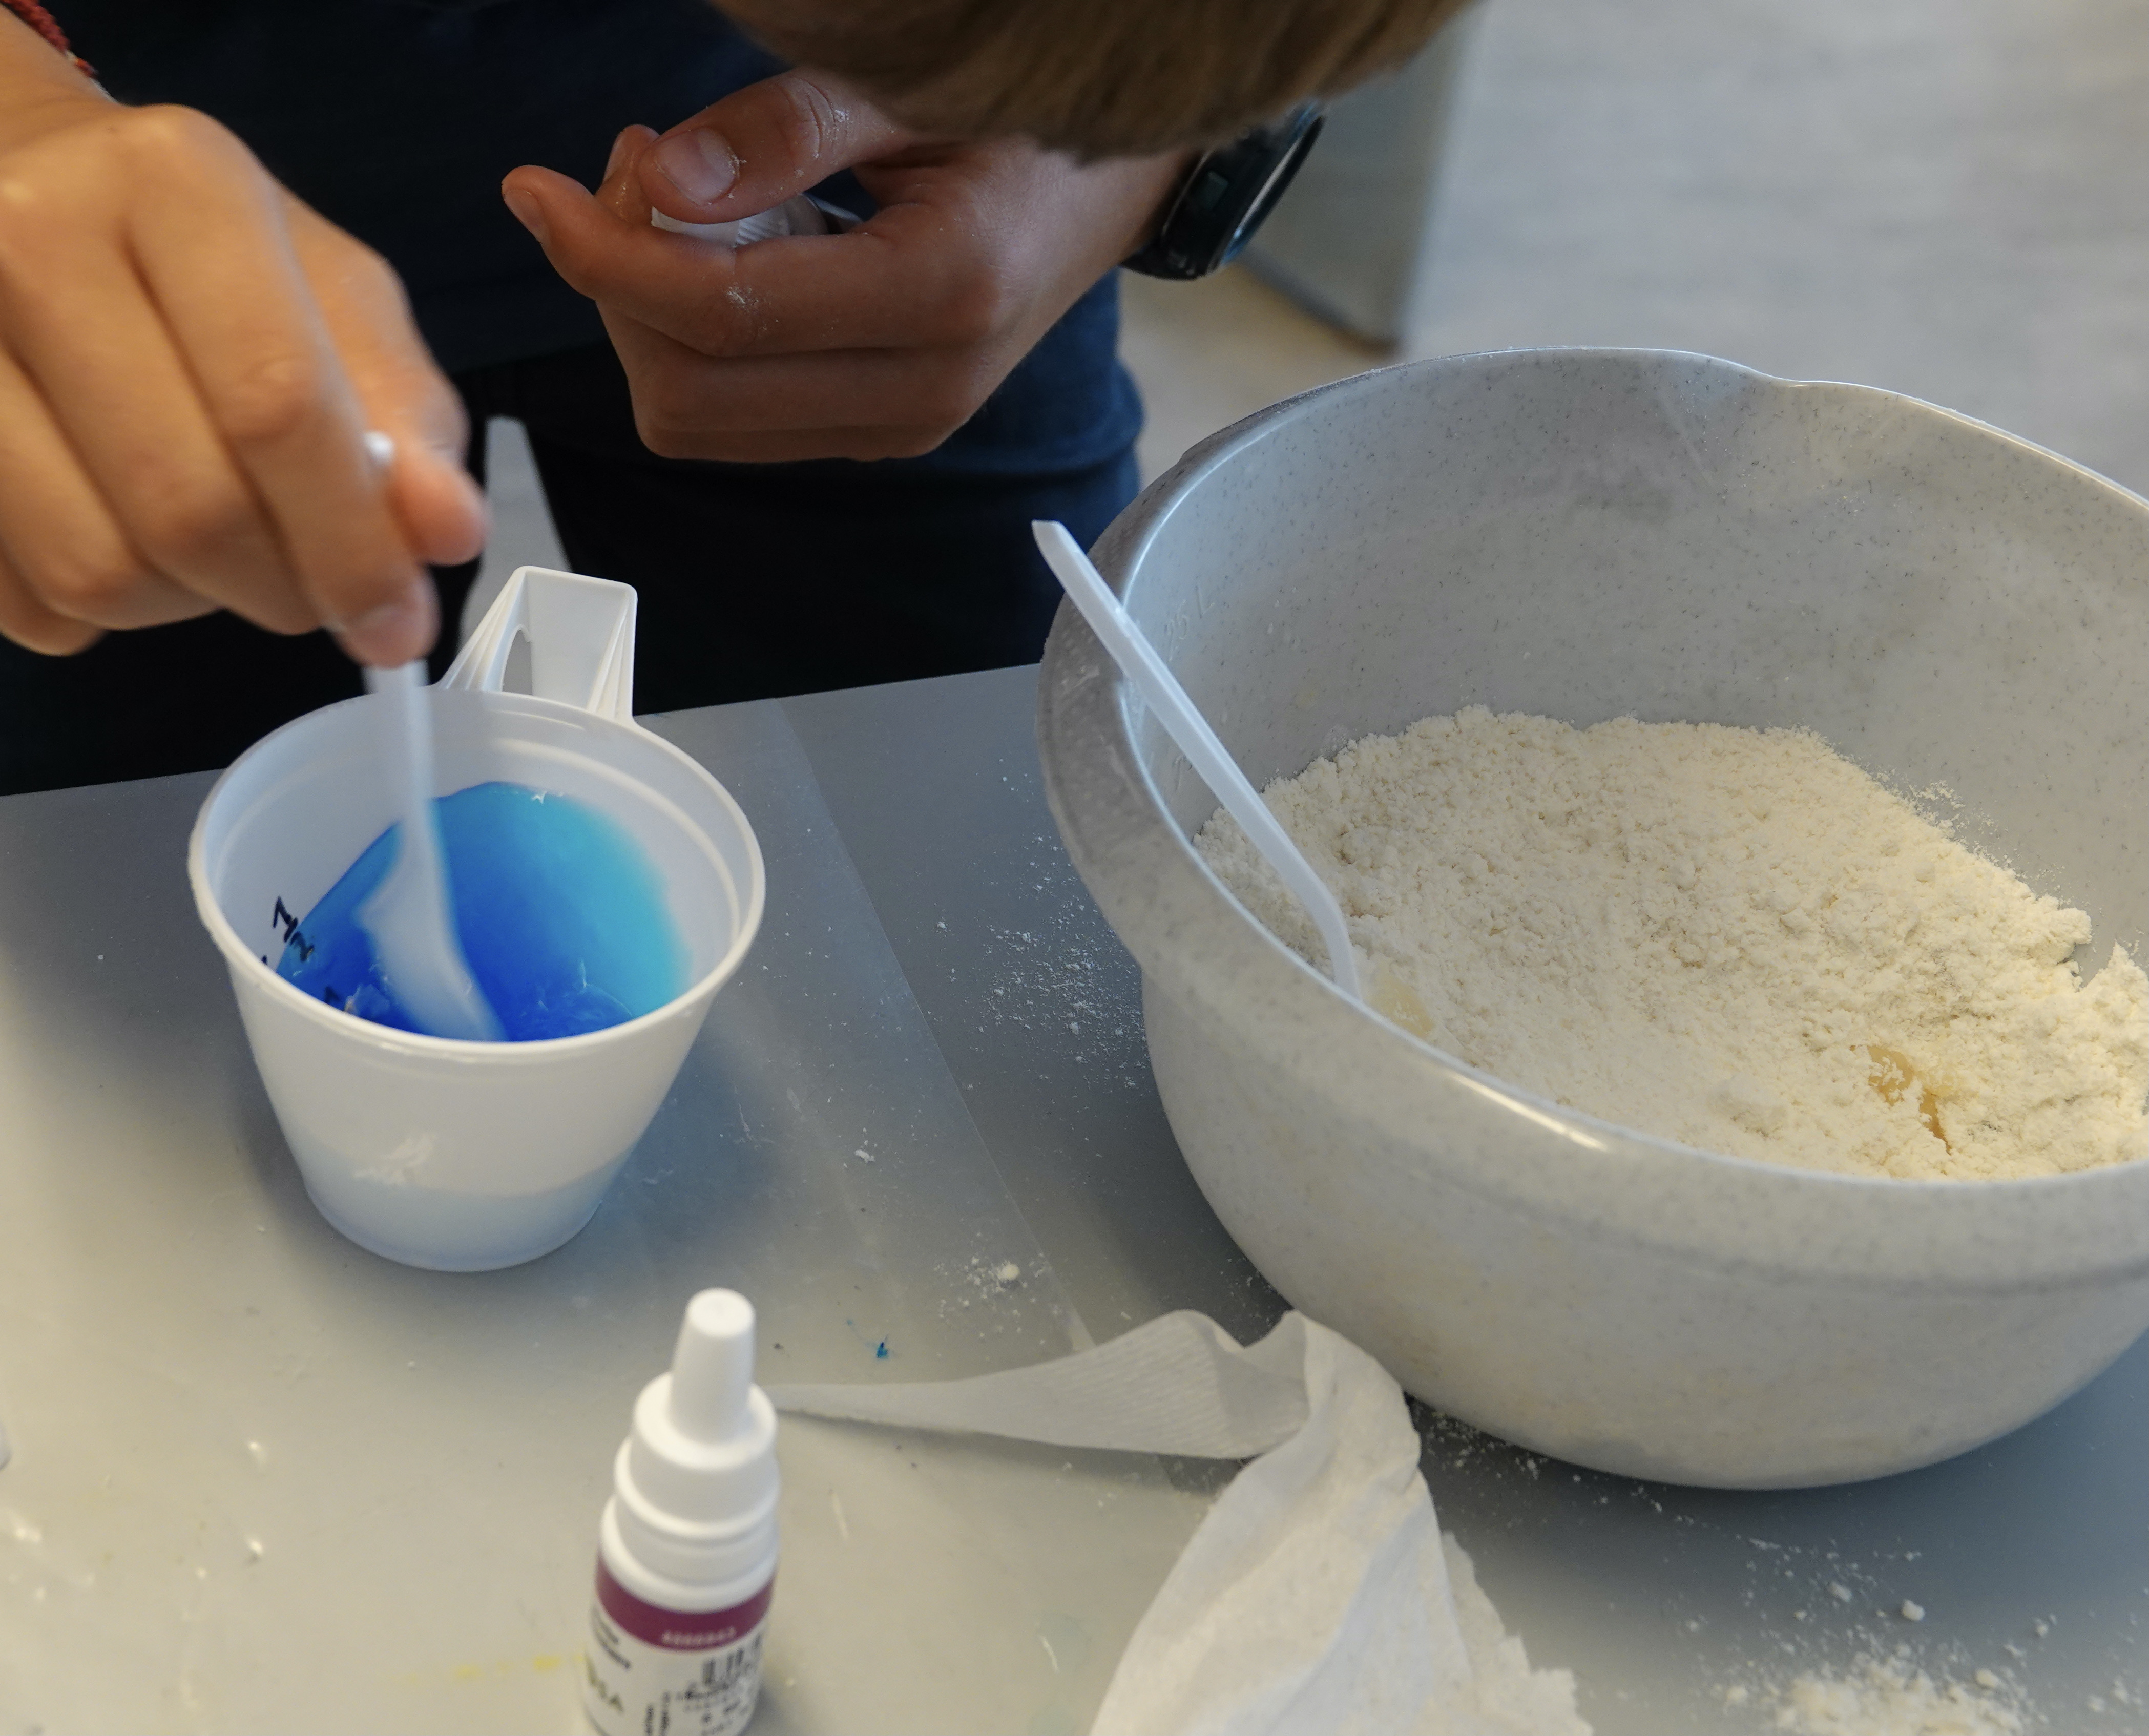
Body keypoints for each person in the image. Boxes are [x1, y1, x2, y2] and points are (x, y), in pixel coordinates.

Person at [0, 0, 1466, 793]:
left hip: (892, 183)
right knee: (122, 905)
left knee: (994, 830)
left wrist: (1113, 134)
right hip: (100, 172)